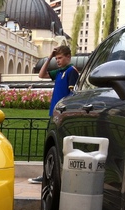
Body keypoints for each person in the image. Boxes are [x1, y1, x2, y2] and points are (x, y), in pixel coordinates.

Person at [29, 45, 79, 184]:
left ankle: (53, 176)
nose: (58, 61)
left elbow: (72, 95)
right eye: (56, 58)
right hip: (54, 114)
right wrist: (49, 57)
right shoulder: (59, 72)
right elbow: (41, 75)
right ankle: (47, 174)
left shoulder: (71, 71)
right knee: (51, 146)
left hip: (63, 116)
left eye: (60, 58)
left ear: (68, 57)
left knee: (60, 147)